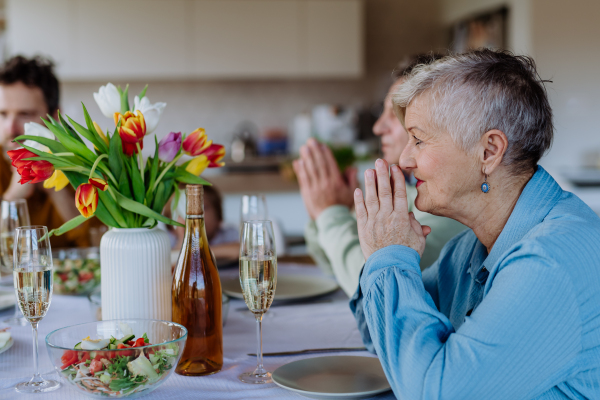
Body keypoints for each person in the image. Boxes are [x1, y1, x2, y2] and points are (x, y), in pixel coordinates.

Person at [351, 49, 600, 399]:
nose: (405, 159)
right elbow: (375, 334)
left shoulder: (550, 262)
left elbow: (436, 393)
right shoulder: (470, 248)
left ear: (488, 152)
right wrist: (387, 252)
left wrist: (389, 256)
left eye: (418, 139)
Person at [294, 54, 466, 297]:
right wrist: (326, 214)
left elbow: (372, 285)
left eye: (393, 113)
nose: (377, 128)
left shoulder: (447, 199)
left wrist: (329, 214)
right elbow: (334, 269)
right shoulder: (408, 189)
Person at [0, 56, 95, 248]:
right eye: (2, 114)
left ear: (54, 117)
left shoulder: (81, 167)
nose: (11, 128)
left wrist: (54, 188)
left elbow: (97, 246)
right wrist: (11, 198)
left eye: (25, 114)